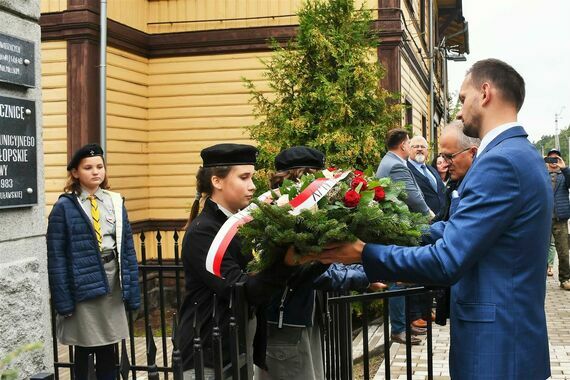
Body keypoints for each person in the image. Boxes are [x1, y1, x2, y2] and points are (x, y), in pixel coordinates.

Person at [319, 59, 552, 379]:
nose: (458, 111)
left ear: (485, 93)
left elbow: (447, 261)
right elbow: (460, 229)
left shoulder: (501, 162)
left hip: (497, 349)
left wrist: (364, 253)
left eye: (461, 98)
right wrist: (393, 231)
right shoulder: (521, 153)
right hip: (509, 338)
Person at [257, 146, 385, 380]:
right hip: (287, 327)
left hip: (298, 321)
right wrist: (365, 277)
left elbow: (325, 263)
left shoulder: (296, 213)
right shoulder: (285, 217)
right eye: (318, 178)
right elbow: (317, 272)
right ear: (302, 177)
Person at [177, 143, 300, 379]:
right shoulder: (205, 232)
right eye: (244, 177)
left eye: (252, 177)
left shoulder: (238, 223)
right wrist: (286, 263)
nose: (253, 186)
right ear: (217, 181)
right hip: (208, 355)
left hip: (235, 346)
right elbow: (241, 290)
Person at [47, 143, 141, 380]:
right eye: (88, 167)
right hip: (83, 285)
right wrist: (63, 301)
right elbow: (56, 258)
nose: (96, 171)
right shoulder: (64, 207)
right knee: (85, 347)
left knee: (109, 346)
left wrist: (132, 290)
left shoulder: (115, 202)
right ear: (75, 172)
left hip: (112, 281)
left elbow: (127, 249)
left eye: (100, 166)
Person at [375, 129, 432, 344]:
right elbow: (414, 198)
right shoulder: (396, 164)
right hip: (399, 229)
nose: (411, 147)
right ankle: (398, 329)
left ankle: (403, 325)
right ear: (403, 145)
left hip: (397, 228)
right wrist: (429, 216)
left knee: (401, 279)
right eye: (409, 143)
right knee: (397, 280)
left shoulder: (389, 161)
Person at [545, 148, 570, 290]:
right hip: (544, 218)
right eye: (550, 159)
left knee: (564, 252)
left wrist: (565, 168)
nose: (553, 162)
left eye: (556, 159)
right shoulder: (541, 173)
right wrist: (540, 165)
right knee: (540, 250)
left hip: (560, 219)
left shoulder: (564, 175)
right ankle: (538, 280)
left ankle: (565, 279)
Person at [407, 136, 447, 219]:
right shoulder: (406, 170)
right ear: (409, 150)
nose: (420, 149)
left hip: (442, 218)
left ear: (427, 151)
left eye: (423, 147)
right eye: (416, 146)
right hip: (423, 221)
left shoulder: (432, 169)